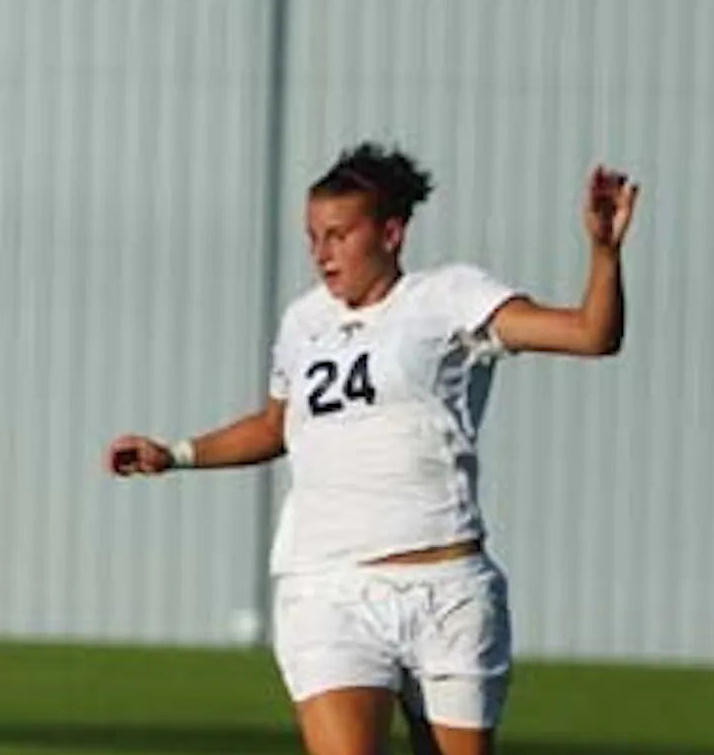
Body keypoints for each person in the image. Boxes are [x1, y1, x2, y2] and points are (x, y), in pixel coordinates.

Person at [105, 143, 637, 755]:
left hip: (450, 589)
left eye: (338, 235)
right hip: (331, 587)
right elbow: (277, 427)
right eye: (312, 236)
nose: (321, 253)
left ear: (391, 232)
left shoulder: (449, 297)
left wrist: (604, 252)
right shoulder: (304, 321)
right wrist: (175, 453)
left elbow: (592, 335)